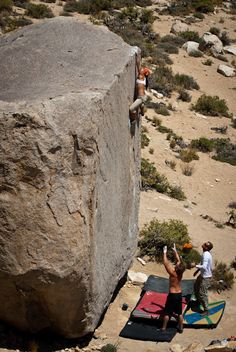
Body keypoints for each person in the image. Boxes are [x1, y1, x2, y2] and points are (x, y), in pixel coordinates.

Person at [161, 244, 186, 333]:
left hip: (172, 295)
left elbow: (165, 262)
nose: (175, 265)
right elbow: (178, 260)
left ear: (176, 268)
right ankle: (181, 328)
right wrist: (175, 250)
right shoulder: (181, 272)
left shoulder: (172, 273)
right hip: (179, 294)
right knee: (179, 313)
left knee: (167, 313)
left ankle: (163, 328)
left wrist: (164, 252)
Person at [193, 241, 213, 316]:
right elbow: (203, 264)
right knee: (196, 286)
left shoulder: (206, 255)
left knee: (202, 293)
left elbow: (204, 267)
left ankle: (206, 310)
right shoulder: (205, 254)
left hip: (206, 277)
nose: (203, 244)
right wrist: (197, 271)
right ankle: (198, 301)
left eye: (205, 244)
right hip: (202, 275)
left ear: (207, 248)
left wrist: (195, 265)